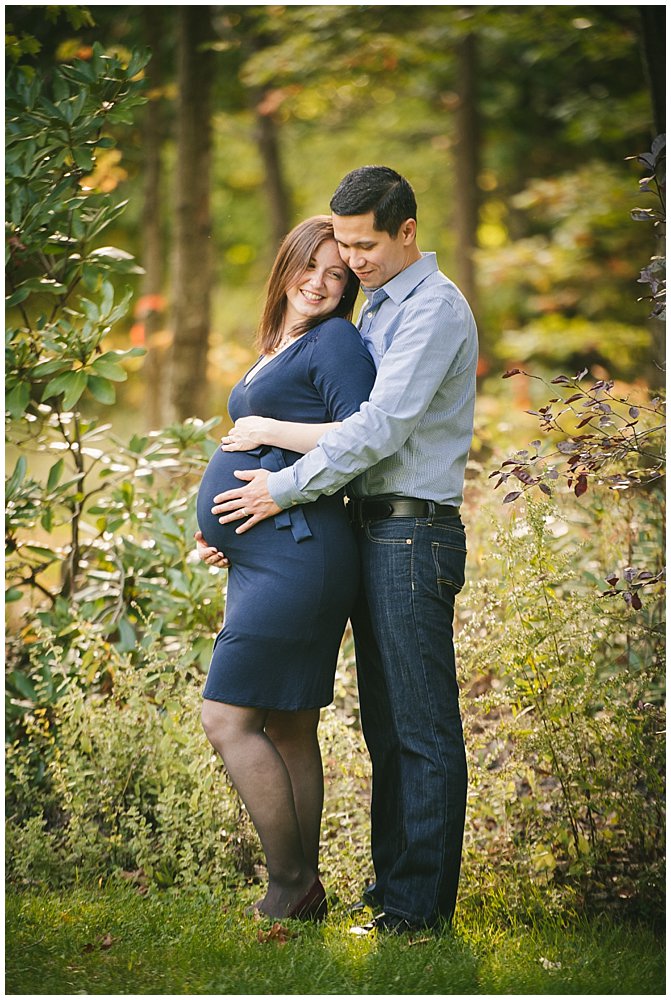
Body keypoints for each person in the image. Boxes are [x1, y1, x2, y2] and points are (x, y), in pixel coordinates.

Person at [207, 166, 478, 934]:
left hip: (411, 529)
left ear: (406, 233)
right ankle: (394, 894)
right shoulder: (379, 311)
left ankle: (417, 915)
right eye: (341, 245)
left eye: (363, 244)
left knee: (420, 727)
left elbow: (377, 429)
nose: (352, 260)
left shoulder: (432, 311)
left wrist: (276, 487)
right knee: (385, 725)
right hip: (369, 528)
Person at [195, 215, 376, 922]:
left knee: (227, 719)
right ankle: (305, 890)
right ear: (288, 263)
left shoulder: (334, 340)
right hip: (270, 553)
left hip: (299, 557)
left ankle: (289, 881)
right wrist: (223, 532)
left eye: (339, 275)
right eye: (313, 267)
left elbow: (365, 431)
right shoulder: (289, 341)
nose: (322, 284)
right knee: (290, 724)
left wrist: (267, 431)